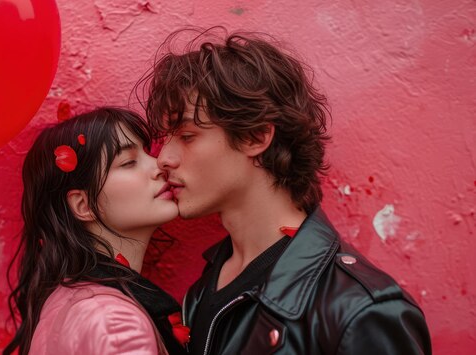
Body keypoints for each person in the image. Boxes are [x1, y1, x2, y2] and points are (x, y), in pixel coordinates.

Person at [138, 27, 432, 354]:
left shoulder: (359, 312)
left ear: (255, 137)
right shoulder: (206, 287)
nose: (163, 158)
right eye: (166, 138)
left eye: (187, 136)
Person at [3, 107, 189, 355]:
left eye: (147, 153)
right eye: (129, 162)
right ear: (84, 205)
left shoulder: (62, 300)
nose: (159, 166)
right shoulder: (113, 325)